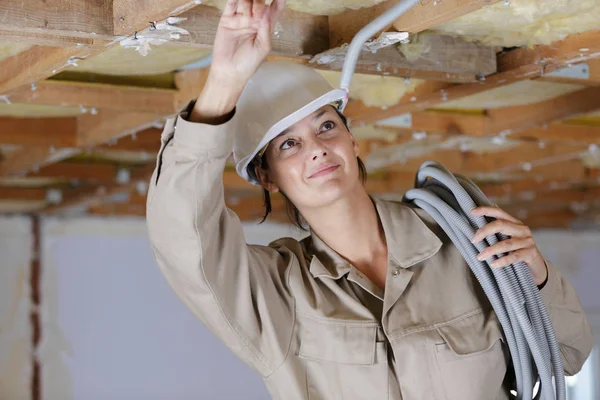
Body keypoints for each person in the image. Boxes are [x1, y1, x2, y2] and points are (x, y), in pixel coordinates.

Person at [146, 0, 594, 398]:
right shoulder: (278, 296)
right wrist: (223, 82)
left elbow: (568, 355)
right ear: (267, 177)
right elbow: (184, 238)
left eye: (326, 126)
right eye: (288, 144)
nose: (317, 148)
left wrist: (535, 278)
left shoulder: (463, 247)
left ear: (352, 139)